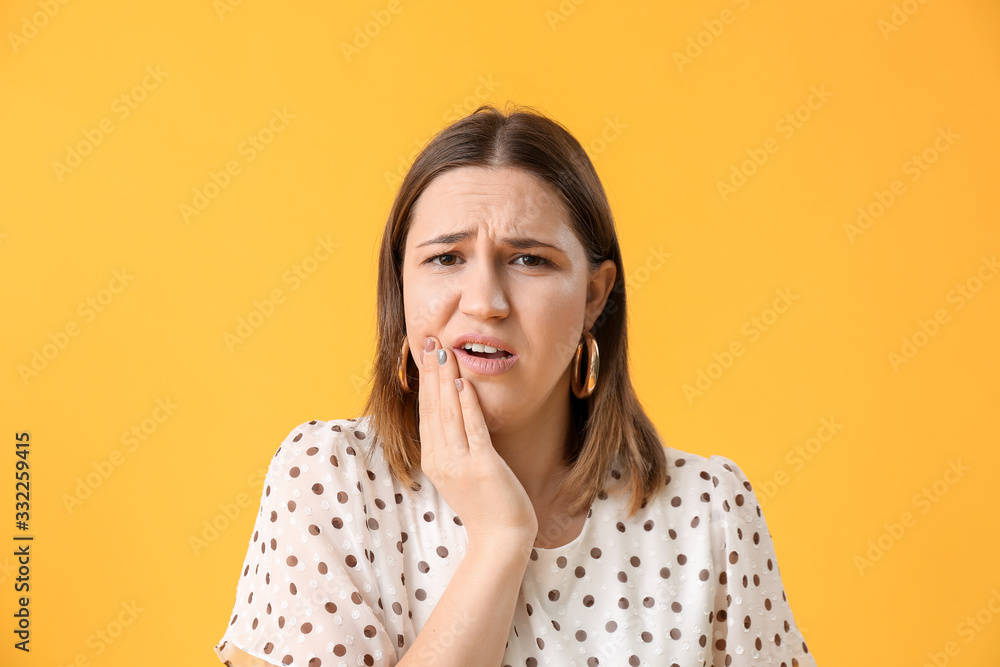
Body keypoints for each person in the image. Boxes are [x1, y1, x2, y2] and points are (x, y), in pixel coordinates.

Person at [213, 103, 818, 667]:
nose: (485, 302)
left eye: (529, 260)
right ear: (400, 291)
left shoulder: (708, 510)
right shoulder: (328, 479)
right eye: (446, 258)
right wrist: (501, 538)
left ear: (593, 296)